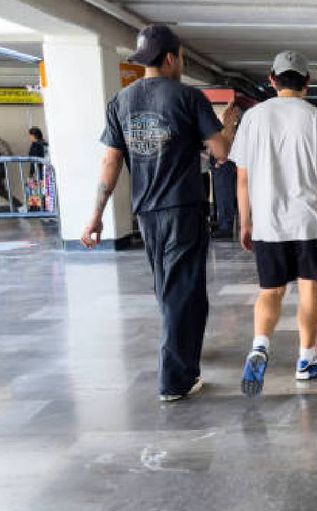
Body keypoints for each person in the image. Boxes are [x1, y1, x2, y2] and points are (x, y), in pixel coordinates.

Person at [80, 24, 229, 401]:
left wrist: (96, 214)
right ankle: (174, 380)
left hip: (146, 212)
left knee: (167, 285)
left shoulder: (120, 101)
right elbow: (221, 151)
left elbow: (111, 160)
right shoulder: (189, 97)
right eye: (181, 58)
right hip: (183, 208)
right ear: (171, 58)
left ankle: (185, 352)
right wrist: (226, 124)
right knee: (184, 289)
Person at [231, 50, 317, 396]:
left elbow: (242, 178)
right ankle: (306, 359)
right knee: (308, 287)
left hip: (268, 222)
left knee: (270, 290)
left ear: (272, 80)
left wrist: (245, 222)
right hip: (311, 222)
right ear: (307, 82)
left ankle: (260, 345)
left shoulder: (253, 119)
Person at [211, 102, 242, 239]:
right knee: (227, 196)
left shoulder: (228, 119)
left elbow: (226, 139)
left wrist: (220, 161)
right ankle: (227, 225)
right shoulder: (234, 122)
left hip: (224, 163)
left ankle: (225, 227)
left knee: (224, 196)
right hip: (229, 163)